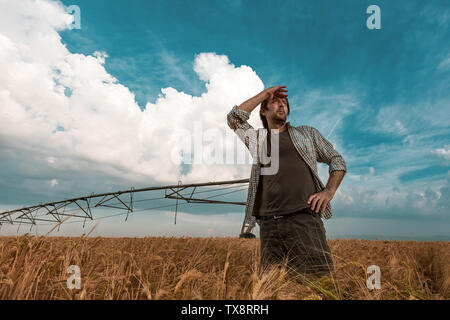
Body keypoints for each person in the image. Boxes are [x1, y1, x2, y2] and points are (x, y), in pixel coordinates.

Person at [226, 85, 346, 278]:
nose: (281, 103)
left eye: (284, 102)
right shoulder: (258, 139)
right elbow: (234, 118)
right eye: (275, 101)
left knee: (318, 281)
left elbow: (337, 160)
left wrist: (328, 192)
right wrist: (265, 94)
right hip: (269, 225)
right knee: (273, 287)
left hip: (304, 220)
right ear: (263, 111)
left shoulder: (307, 134)